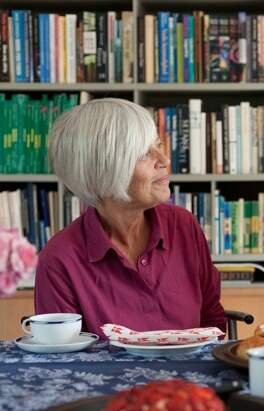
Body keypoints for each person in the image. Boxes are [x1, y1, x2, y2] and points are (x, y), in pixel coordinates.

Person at [34, 98, 227, 340]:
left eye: (158, 144)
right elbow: (61, 361)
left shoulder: (183, 225)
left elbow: (212, 320)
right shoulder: (60, 258)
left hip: (188, 377)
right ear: (102, 170)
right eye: (144, 153)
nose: (165, 160)